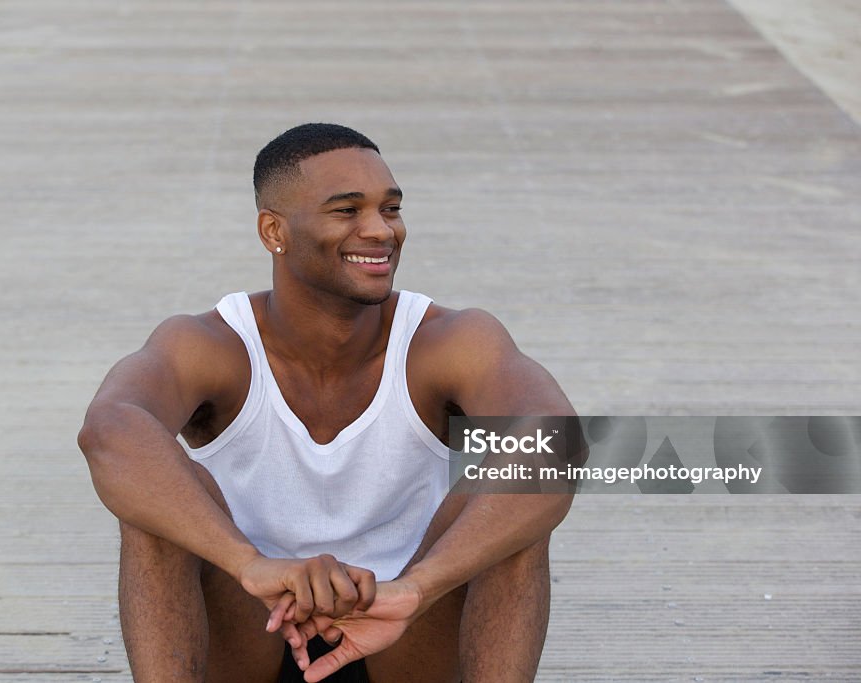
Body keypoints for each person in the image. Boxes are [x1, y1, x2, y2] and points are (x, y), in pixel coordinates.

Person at [78, 123, 578, 682]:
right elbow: (110, 430)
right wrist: (253, 567)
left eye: (390, 209)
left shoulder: (449, 341)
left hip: (407, 634)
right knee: (154, 504)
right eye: (347, 211)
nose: (380, 231)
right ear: (274, 231)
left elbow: (558, 439)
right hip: (253, 628)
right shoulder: (210, 345)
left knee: (516, 492)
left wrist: (417, 589)